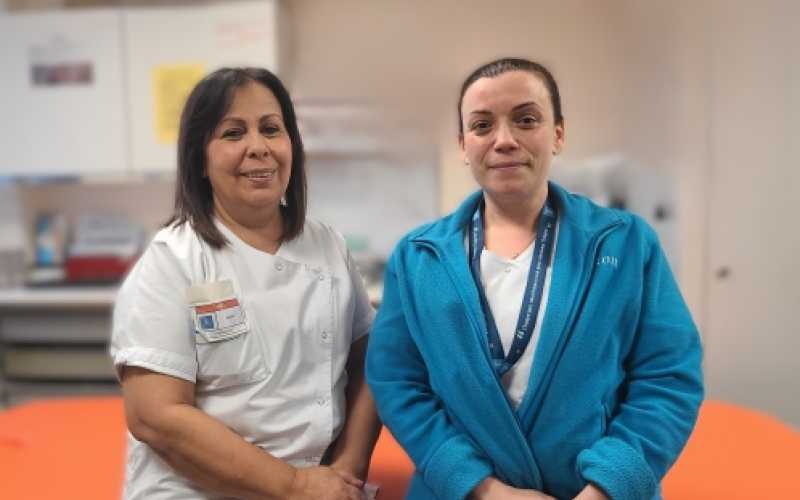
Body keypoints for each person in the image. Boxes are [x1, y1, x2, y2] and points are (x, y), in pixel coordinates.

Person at [366, 58, 703, 500]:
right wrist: (483, 490)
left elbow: (668, 377)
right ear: (464, 145)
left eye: (526, 119)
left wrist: (609, 486)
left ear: (558, 133)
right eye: (483, 125)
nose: (504, 140)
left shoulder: (625, 244)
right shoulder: (417, 257)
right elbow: (397, 382)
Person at [110, 67, 381, 500]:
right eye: (233, 133)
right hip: (195, 490)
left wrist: (346, 469)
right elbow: (155, 415)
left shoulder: (327, 245)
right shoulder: (174, 261)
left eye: (271, 129)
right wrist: (293, 486)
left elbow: (372, 361)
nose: (258, 148)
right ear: (200, 157)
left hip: (319, 483)